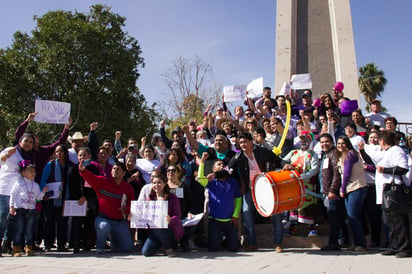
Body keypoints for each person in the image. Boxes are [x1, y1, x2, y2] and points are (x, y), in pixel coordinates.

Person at [228, 132, 282, 252]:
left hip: (267, 188)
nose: (243, 145)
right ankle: (252, 243)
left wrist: (287, 165)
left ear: (251, 142)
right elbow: (228, 170)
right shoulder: (238, 157)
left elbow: (278, 161)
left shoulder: (263, 151)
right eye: (240, 143)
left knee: (276, 214)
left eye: (245, 142)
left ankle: (278, 243)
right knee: (246, 212)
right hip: (250, 189)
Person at [79, 160, 135, 254]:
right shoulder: (103, 181)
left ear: (124, 173)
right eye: (113, 169)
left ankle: (114, 241)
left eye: (118, 169)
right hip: (103, 218)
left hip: (119, 221)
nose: (115, 171)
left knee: (127, 249)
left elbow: (132, 203)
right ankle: (100, 248)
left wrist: (126, 209)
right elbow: (91, 178)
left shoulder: (128, 188)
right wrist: (83, 170)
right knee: (103, 227)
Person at [375, 131, 411, 258]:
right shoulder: (386, 152)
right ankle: (394, 246)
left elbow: (403, 168)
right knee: (389, 221)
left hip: (394, 192)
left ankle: (404, 248)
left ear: (383, 141)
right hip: (385, 193)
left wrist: (385, 170)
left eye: (379, 140)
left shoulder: (396, 150)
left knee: (399, 220)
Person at [197, 153, 241, 252]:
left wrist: (235, 215)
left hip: (229, 221)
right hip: (214, 221)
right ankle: (218, 239)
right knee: (214, 248)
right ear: (213, 169)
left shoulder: (232, 181)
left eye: (223, 165)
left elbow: (238, 199)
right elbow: (200, 179)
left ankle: (227, 239)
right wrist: (202, 161)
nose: (221, 166)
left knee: (234, 248)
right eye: (218, 164)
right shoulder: (211, 182)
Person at [0, 133, 35, 255]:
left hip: (19, 192)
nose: (28, 144)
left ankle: (7, 244)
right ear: (20, 142)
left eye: (31, 142)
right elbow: (2, 159)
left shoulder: (29, 157)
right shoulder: (12, 151)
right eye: (26, 141)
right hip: (5, 189)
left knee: (12, 220)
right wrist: (7, 154)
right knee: (3, 217)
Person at [282, 131, 320, 236]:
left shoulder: (313, 154)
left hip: (307, 184)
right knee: (293, 205)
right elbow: (283, 161)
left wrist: (302, 177)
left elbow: (314, 169)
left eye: (305, 139)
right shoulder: (294, 153)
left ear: (309, 141)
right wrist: (286, 166)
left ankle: (310, 227)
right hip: (293, 184)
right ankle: (293, 228)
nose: (303, 141)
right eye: (301, 139)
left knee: (307, 205)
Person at [9, 160, 48, 256]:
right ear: (23, 173)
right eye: (30, 171)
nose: (33, 173)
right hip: (20, 209)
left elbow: (38, 198)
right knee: (19, 229)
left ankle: (29, 247)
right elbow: (13, 194)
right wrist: (11, 206)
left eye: (34, 171)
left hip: (31, 210)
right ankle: (16, 248)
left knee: (29, 230)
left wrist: (43, 192)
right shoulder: (18, 183)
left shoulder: (35, 185)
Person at [336, 136, 368, 253]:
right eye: (339, 143)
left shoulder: (349, 154)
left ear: (348, 143)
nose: (340, 146)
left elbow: (347, 174)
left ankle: (362, 244)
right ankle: (356, 243)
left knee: (353, 216)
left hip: (356, 187)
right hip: (351, 188)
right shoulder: (344, 155)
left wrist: (342, 189)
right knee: (354, 217)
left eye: (343, 143)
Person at [40, 145, 74, 252]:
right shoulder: (51, 165)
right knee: (49, 221)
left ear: (65, 153)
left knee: (62, 222)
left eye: (61, 151)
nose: (58, 153)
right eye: (56, 151)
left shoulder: (70, 166)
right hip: (51, 197)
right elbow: (43, 180)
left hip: (65, 197)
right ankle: (48, 244)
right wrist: (43, 194)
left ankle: (61, 244)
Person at [141, 173, 182, 257]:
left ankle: (168, 247)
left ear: (164, 184)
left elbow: (177, 215)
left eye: (159, 182)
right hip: (155, 230)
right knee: (145, 252)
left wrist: (171, 219)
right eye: (154, 183)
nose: (157, 185)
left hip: (169, 228)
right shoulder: (150, 198)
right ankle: (162, 243)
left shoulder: (172, 197)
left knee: (158, 227)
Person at [318, 134, 347, 251]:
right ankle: (343, 240)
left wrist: (332, 190)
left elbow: (337, 173)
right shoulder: (325, 155)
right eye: (322, 142)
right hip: (326, 192)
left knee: (334, 218)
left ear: (332, 142)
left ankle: (334, 243)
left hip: (332, 193)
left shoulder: (333, 154)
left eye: (327, 142)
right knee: (337, 218)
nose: (324, 144)